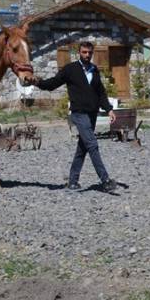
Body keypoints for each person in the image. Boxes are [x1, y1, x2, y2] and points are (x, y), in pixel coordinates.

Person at [32, 41, 118, 192]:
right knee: (92, 143)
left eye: (89, 53)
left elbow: (101, 93)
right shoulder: (70, 69)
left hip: (92, 113)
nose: (87, 55)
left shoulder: (94, 69)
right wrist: (37, 82)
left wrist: (109, 109)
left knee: (83, 147)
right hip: (79, 114)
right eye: (84, 52)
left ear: (92, 53)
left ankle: (72, 181)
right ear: (79, 52)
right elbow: (53, 83)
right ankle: (105, 180)